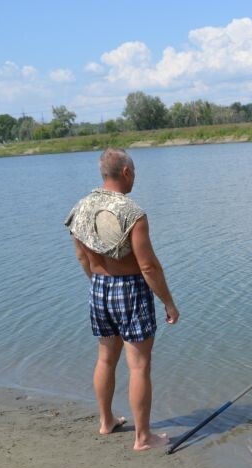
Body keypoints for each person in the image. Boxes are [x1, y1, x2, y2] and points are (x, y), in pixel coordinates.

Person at [65, 148, 179, 451]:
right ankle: (143, 437)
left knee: (105, 358)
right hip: (130, 290)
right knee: (139, 366)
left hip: (98, 286)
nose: (135, 178)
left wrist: (97, 283)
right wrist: (168, 302)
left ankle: (106, 422)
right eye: (134, 173)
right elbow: (148, 267)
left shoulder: (81, 207)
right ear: (125, 172)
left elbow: (81, 256)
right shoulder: (132, 213)